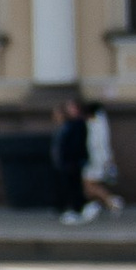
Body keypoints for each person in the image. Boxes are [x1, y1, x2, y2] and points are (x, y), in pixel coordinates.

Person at [75, 99, 124, 224]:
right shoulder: (100, 123)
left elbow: (97, 145)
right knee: (89, 187)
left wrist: (105, 160)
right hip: (98, 159)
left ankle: (112, 201)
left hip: (95, 160)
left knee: (89, 186)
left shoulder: (94, 125)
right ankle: (98, 205)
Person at [50, 92, 88, 221]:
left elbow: (77, 145)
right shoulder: (67, 125)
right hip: (65, 162)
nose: (69, 110)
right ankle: (68, 208)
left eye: (72, 107)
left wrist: (74, 160)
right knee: (68, 186)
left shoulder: (78, 124)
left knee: (75, 186)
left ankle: (77, 209)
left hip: (73, 161)